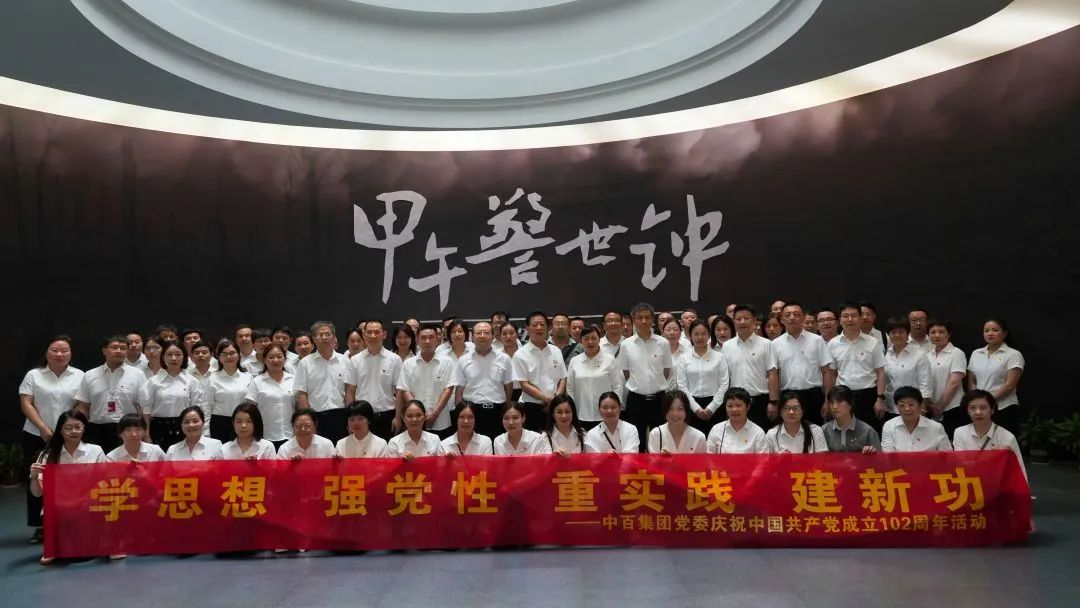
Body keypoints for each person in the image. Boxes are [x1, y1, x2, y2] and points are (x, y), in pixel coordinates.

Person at [18, 335, 83, 542]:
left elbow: (81, 405)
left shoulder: (79, 375)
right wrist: (43, 428)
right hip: (36, 434)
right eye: (54, 350)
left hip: (68, 436)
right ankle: (39, 525)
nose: (59, 354)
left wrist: (70, 429)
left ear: (70, 353)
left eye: (64, 350)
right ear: (46, 353)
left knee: (69, 480)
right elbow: (26, 403)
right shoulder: (34, 375)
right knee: (37, 478)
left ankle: (68, 521)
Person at [29, 410, 106, 565]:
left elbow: (103, 482)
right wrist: (34, 476)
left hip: (87, 505)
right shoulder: (48, 454)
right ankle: (52, 548)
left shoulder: (95, 450)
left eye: (78, 427)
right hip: (59, 507)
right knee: (66, 548)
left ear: (84, 428)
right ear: (60, 430)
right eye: (68, 428)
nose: (73, 431)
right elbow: (37, 493)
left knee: (84, 552)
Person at [74, 335, 147, 453]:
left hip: (128, 429)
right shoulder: (90, 375)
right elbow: (83, 407)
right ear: (104, 351)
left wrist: (144, 432)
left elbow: (144, 407)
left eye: (123, 348)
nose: (119, 351)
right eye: (114, 347)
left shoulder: (138, 375)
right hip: (96, 429)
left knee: (125, 463)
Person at [617, 303, 672, 451]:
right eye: (639, 318)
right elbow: (625, 372)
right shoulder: (626, 344)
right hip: (636, 400)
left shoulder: (663, 343)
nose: (644, 321)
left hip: (659, 399)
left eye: (647, 317)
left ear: (652, 319)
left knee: (660, 442)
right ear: (633, 320)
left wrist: (655, 383)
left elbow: (667, 370)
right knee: (636, 443)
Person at [772, 302, 833, 426]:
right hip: (787, 396)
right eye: (787, 315)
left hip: (813, 395)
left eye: (796, 314)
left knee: (815, 431)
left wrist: (828, 400)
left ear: (803, 317)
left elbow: (827, 372)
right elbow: (775, 375)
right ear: (782, 320)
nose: (792, 318)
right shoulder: (775, 344)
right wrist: (775, 402)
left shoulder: (817, 340)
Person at [828, 302, 887, 430]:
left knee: (870, 431)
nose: (850, 319)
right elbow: (832, 374)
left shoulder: (873, 342)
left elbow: (880, 373)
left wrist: (880, 399)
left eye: (854, 315)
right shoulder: (833, 343)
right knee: (844, 431)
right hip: (843, 396)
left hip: (868, 396)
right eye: (845, 316)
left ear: (860, 318)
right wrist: (830, 400)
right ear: (840, 320)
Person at [140, 341, 208, 451]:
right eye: (169, 354)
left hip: (185, 428)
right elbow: (146, 409)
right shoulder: (153, 382)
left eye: (178, 354)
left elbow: (198, 409)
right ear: (163, 357)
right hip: (158, 428)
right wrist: (146, 434)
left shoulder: (192, 381)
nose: (174, 358)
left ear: (184, 357)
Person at [453, 321, 513, 440]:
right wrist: (459, 413)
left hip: (498, 410)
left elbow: (509, 387)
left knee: (497, 445)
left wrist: (506, 409)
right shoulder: (463, 360)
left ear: (493, 336)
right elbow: (459, 390)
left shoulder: (504, 358)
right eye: (478, 333)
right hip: (472, 412)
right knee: (473, 446)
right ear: (472, 336)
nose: (482, 336)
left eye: (486, 333)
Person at [723, 305, 779, 429]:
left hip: (760, 401)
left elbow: (772, 374)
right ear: (734, 321)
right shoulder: (727, 346)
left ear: (754, 321)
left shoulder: (766, 344)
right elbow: (725, 377)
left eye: (746, 318)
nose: (742, 322)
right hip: (736, 403)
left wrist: (773, 402)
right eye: (738, 319)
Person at [344, 319, 402, 440]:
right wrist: (350, 419)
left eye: (377, 332)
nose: (373, 336)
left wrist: (397, 417)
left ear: (384, 334)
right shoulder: (355, 360)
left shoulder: (395, 359)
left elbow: (399, 391)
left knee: (386, 450)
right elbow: (350, 391)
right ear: (364, 335)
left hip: (387, 415)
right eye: (369, 332)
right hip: (361, 417)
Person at [398, 323, 457, 440]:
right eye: (423, 338)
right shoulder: (408, 363)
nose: (427, 341)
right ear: (417, 340)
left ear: (437, 339)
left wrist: (435, 413)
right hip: (415, 422)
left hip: (441, 421)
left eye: (431, 337)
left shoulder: (447, 362)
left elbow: (449, 389)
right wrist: (419, 413)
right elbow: (405, 389)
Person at [967, 319, 1025, 436]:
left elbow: (1010, 385)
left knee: (1002, 443)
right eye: (986, 331)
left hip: (1003, 407)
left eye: (995, 330)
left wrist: (988, 401)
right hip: (979, 409)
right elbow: (971, 381)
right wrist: (977, 400)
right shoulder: (976, 353)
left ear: (1004, 333)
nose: (990, 333)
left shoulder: (1013, 354)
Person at [953, 390, 1027, 480]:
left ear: (992, 409)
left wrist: (1006, 458)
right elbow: (960, 464)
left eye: (983, 408)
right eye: (972, 408)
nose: (978, 412)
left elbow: (1020, 473)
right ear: (967, 411)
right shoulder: (960, 432)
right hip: (970, 482)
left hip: (998, 483)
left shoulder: (1007, 437)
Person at [295, 320, 350, 443]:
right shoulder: (305, 363)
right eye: (320, 335)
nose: (324, 337)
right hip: (316, 416)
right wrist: (308, 420)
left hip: (341, 415)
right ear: (314, 339)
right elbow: (302, 394)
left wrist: (350, 417)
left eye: (327, 334)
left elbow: (349, 391)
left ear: (334, 337)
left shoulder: (345, 361)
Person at [513, 311, 568, 432]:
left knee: (556, 439)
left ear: (548, 327)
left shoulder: (556, 351)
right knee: (534, 442)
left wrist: (556, 399)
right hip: (532, 408)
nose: (539, 328)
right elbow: (524, 385)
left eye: (542, 324)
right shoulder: (520, 354)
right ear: (527, 327)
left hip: (556, 407)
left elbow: (562, 377)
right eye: (535, 325)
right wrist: (548, 399)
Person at [676, 319, 729, 433]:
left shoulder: (719, 357)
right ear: (690, 336)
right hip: (692, 406)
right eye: (696, 334)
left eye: (704, 333)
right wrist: (696, 408)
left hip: (716, 405)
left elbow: (724, 385)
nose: (700, 337)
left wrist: (711, 408)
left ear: (709, 335)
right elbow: (682, 386)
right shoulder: (683, 358)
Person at [566, 325, 623, 430]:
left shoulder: (609, 360)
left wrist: (615, 409)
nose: (590, 342)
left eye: (593, 338)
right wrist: (572, 409)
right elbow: (570, 389)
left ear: (599, 339)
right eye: (586, 339)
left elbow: (618, 387)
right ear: (581, 341)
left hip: (606, 414)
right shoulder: (574, 361)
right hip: (581, 414)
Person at [243, 344, 295, 450]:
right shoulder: (257, 381)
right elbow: (251, 411)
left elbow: (299, 408)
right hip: (265, 435)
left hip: (290, 434)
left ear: (285, 359)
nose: (275, 360)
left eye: (279, 356)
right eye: (271, 357)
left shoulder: (293, 379)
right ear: (264, 360)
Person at [883, 317, 932, 420]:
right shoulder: (886, 355)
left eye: (901, 332)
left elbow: (925, 385)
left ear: (908, 333)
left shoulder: (919, 354)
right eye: (893, 332)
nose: (897, 335)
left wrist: (923, 410)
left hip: (912, 409)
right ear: (888, 334)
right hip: (890, 408)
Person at [205, 338, 253, 442]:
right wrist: (206, 431)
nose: (228, 357)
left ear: (238, 355)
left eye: (232, 353)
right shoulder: (212, 378)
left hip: (243, 422)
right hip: (219, 423)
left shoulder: (248, 377)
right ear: (219, 357)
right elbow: (207, 407)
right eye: (224, 354)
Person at [926, 319, 968, 437]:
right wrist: (930, 405)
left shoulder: (956, 353)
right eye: (933, 332)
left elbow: (954, 383)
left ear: (949, 334)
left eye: (941, 332)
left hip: (953, 407)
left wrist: (939, 407)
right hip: (931, 408)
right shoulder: (927, 355)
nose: (937, 335)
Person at [881, 386, 952, 452]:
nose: (907, 409)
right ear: (897, 407)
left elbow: (947, 455)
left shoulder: (936, 428)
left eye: (911, 404)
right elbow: (888, 455)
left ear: (920, 406)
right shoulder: (889, 426)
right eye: (902, 405)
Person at [706, 387, 767, 454]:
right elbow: (709, 457)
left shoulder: (758, 433)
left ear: (748, 406)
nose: (734, 410)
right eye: (730, 406)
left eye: (738, 405)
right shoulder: (716, 430)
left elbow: (763, 460)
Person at [822, 386, 881, 453]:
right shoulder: (823, 431)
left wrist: (870, 454)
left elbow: (880, 457)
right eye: (831, 402)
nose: (835, 406)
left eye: (840, 401)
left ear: (851, 404)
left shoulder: (868, 431)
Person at [499, 321, 524, 402]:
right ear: (500, 336)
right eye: (504, 334)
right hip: (502, 393)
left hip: (525, 393)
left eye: (511, 333)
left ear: (517, 334)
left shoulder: (526, 353)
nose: (508, 336)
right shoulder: (496, 355)